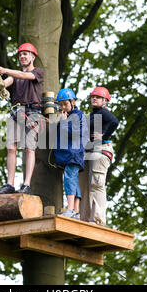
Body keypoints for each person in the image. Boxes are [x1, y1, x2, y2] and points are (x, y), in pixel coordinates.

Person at [0, 43, 44, 195]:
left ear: (33, 57)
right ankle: (10, 184)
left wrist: (5, 70)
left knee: (29, 148)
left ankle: (26, 184)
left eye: (25, 54)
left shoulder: (38, 72)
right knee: (11, 148)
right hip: (16, 112)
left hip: (32, 113)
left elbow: (25, 76)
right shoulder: (14, 76)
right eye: (20, 55)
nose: (22, 56)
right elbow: (3, 85)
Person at [79, 87, 119, 226]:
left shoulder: (103, 112)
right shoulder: (91, 115)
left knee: (96, 184)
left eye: (98, 97)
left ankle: (97, 219)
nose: (94, 98)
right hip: (89, 151)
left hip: (101, 149)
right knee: (84, 185)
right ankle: (84, 218)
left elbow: (115, 122)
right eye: (93, 97)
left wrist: (104, 136)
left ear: (105, 101)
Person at [53, 88, 87, 219]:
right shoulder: (67, 116)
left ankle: (71, 208)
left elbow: (75, 133)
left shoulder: (78, 115)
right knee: (73, 180)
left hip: (73, 154)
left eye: (65, 104)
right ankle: (76, 211)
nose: (63, 107)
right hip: (68, 154)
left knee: (69, 179)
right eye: (60, 104)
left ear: (72, 102)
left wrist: (63, 122)